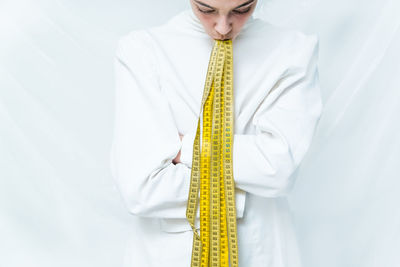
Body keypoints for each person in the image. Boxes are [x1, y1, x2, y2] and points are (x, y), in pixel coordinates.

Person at [109, 0, 323, 266]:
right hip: (166, 255)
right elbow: (140, 188)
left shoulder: (293, 51)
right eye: (206, 10)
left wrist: (186, 148)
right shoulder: (142, 50)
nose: (223, 28)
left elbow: (279, 168)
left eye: (242, 9)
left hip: (262, 251)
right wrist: (247, 184)